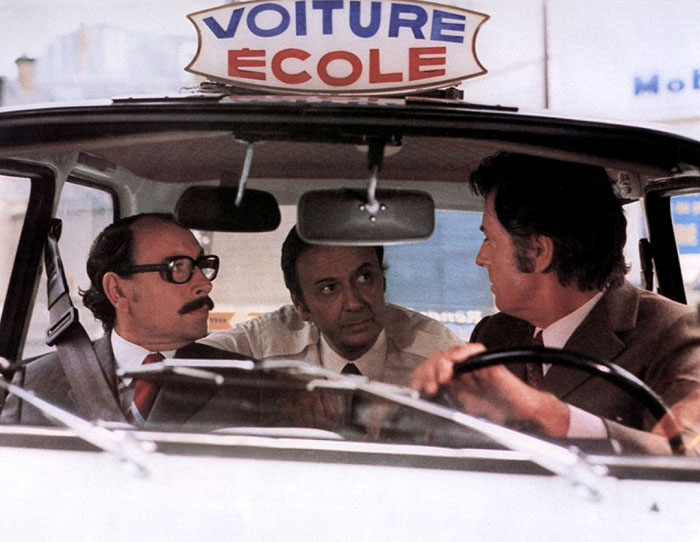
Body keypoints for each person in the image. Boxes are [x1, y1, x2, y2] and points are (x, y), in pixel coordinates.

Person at [410, 152, 700, 455]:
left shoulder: (676, 335)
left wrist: (545, 413)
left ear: (538, 252)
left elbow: (688, 456)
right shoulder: (496, 333)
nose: (480, 259)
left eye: (490, 240)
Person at [2, 213, 249, 426]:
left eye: (201, 265)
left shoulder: (248, 384)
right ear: (117, 290)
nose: (205, 285)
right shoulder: (35, 384)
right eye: (178, 267)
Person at [200, 226, 463, 387]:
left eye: (364, 278)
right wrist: (273, 384)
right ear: (301, 306)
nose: (354, 303)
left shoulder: (435, 350)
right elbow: (186, 358)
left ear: (383, 280)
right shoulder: (264, 345)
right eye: (329, 289)